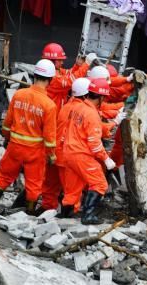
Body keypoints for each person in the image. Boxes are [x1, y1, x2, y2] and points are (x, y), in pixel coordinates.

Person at [0, 59, 57, 214]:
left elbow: (7, 123)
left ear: (34, 75)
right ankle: (28, 213)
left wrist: (7, 137)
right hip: (34, 151)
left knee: (4, 176)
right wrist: (51, 155)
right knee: (34, 183)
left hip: (15, 145)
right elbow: (49, 136)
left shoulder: (19, 94)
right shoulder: (49, 105)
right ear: (50, 80)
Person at [61, 78, 116, 224]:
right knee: (99, 184)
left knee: (73, 188)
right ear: (101, 97)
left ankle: (65, 215)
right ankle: (88, 216)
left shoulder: (77, 107)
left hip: (68, 152)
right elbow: (94, 143)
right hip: (81, 155)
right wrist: (106, 159)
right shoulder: (92, 114)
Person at [38, 77, 91, 215]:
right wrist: (113, 123)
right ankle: (66, 217)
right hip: (68, 157)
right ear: (86, 95)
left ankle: (47, 208)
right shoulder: (83, 110)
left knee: (50, 185)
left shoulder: (66, 106)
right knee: (72, 191)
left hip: (55, 153)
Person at [42, 42, 96, 112]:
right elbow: (71, 80)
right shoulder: (51, 77)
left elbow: (70, 73)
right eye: (59, 60)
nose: (62, 63)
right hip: (53, 112)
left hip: (57, 110)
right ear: (51, 60)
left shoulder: (57, 71)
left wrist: (77, 65)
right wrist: (86, 64)